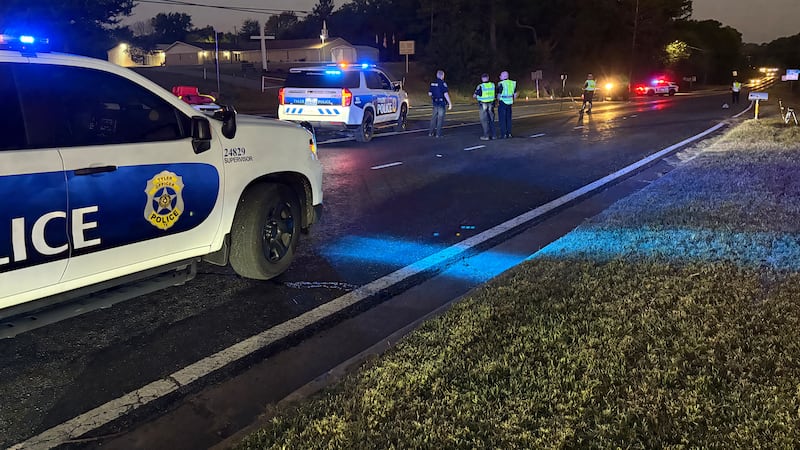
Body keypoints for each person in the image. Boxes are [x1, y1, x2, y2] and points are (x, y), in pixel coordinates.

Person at [428, 69, 453, 137]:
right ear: (442, 76)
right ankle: (438, 134)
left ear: (437, 75)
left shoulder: (432, 83)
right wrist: (450, 103)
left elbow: (429, 93)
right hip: (441, 103)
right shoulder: (443, 83)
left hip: (435, 102)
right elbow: (445, 94)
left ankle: (431, 132)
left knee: (433, 118)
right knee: (440, 118)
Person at [473, 73, 496, 140]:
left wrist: (476, 96)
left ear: (482, 79)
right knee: (491, 120)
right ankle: (494, 135)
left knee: (484, 121)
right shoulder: (492, 85)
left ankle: (486, 136)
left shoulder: (480, 86)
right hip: (491, 105)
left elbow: (475, 95)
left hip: (483, 105)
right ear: (488, 78)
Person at [497, 71, 518, 138]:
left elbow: (499, 94)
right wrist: (512, 100)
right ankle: (509, 133)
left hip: (503, 102)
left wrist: (498, 100)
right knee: (508, 119)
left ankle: (504, 134)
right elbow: (515, 94)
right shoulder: (513, 83)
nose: (500, 77)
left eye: (501, 75)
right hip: (510, 103)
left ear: (504, 76)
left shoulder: (501, 83)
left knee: (502, 119)